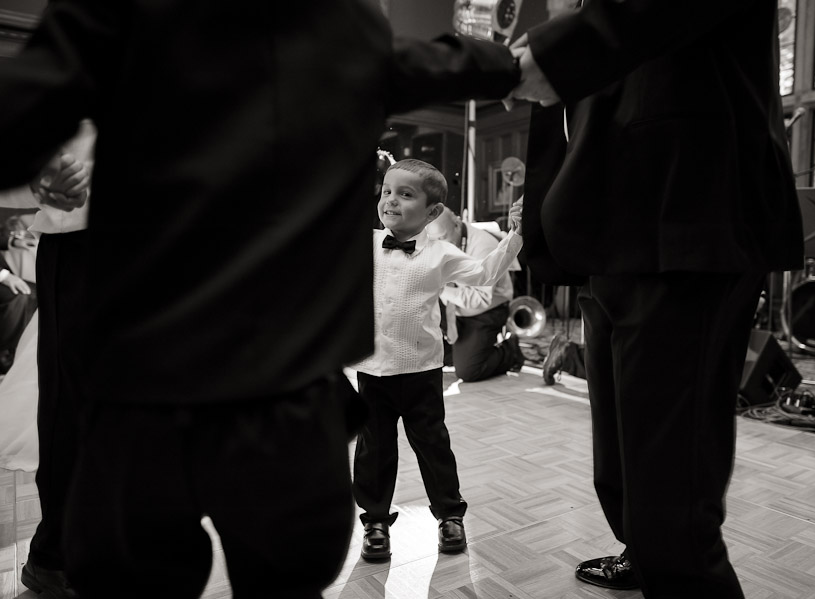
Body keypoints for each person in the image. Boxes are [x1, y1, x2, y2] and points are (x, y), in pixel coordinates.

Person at [0, 2, 521, 597]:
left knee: (251, 554)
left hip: (252, 377)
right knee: (160, 550)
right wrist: (516, 61)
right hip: (187, 365)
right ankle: (55, 553)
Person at [508, 2, 804, 597]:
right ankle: (640, 554)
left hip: (684, 213)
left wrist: (563, 45)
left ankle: (673, 568)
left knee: (672, 492)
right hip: (608, 227)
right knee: (619, 461)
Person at [351, 159, 523, 561]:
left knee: (433, 446)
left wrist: (516, 234)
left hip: (421, 371)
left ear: (432, 212)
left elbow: (484, 274)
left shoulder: (442, 253)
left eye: (405, 194)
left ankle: (450, 516)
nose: (391, 199)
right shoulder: (363, 244)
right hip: (372, 369)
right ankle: (375, 522)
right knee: (373, 450)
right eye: (387, 191)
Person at [0, 123, 92, 598]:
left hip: (174, 237)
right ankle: (54, 555)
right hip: (85, 237)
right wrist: (36, 174)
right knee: (72, 403)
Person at [425, 207, 525, 381]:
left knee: (469, 372)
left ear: (457, 224)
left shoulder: (482, 246)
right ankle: (456, 350)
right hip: (456, 307)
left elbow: (482, 299)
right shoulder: (442, 242)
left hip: (486, 311)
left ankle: (511, 351)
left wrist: (441, 289)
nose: (438, 244)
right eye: (434, 240)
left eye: (442, 237)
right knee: (428, 354)